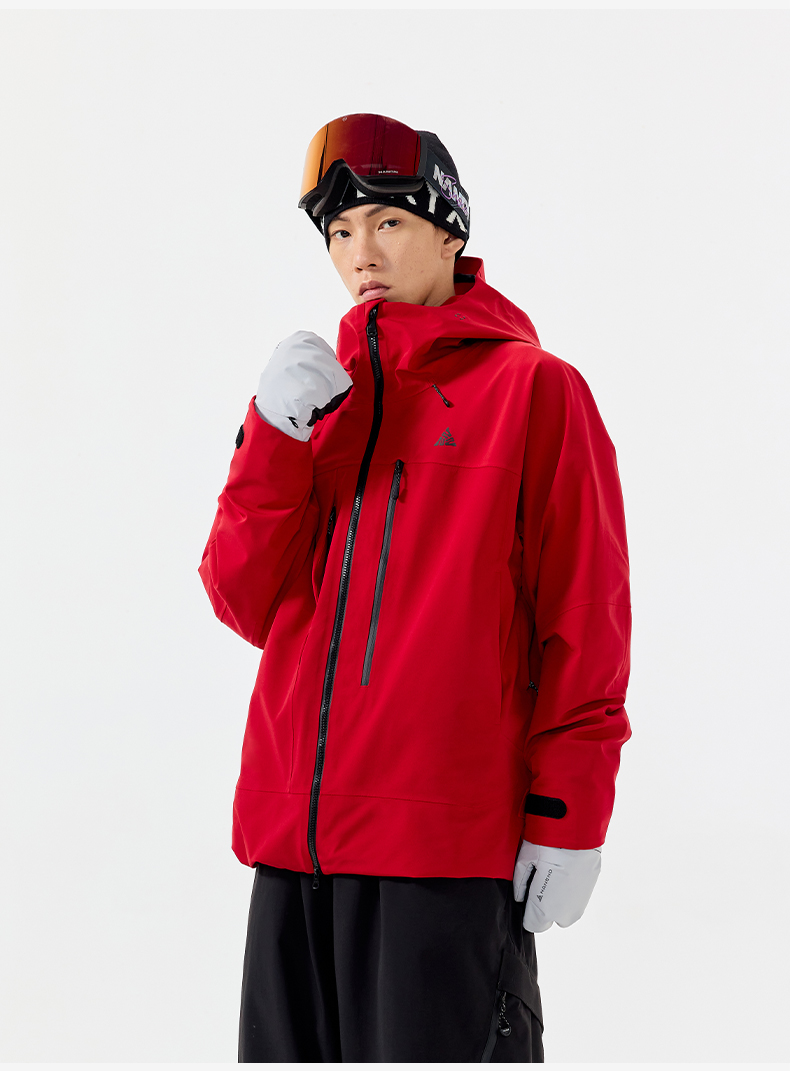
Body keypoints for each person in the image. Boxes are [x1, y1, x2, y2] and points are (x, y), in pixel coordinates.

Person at [199, 113, 631, 1062]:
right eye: (340, 231)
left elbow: (585, 621)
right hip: (294, 845)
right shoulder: (318, 400)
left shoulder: (536, 392)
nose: (361, 252)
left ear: (448, 232)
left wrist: (569, 815)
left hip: (443, 852)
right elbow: (242, 600)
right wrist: (272, 437)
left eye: (387, 222)